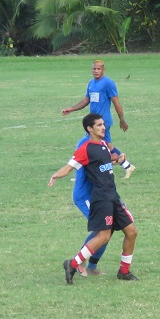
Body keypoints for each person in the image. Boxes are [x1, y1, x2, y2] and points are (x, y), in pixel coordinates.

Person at [48, 112, 139, 283]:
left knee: (132, 232)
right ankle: (73, 264)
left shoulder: (103, 144)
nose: (103, 127)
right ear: (89, 129)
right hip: (101, 198)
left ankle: (124, 272)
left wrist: (117, 159)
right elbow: (69, 167)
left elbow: (104, 159)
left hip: (113, 196)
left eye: (103, 124)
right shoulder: (85, 148)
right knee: (103, 236)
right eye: (99, 125)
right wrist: (55, 176)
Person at [62, 60, 135, 178]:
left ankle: (82, 174)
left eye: (98, 69)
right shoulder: (91, 83)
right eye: (94, 69)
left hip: (102, 122)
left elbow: (116, 102)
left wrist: (122, 119)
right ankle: (127, 165)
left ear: (103, 70)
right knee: (107, 146)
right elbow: (86, 100)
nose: (96, 71)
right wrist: (72, 108)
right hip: (93, 122)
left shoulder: (108, 83)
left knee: (85, 146)